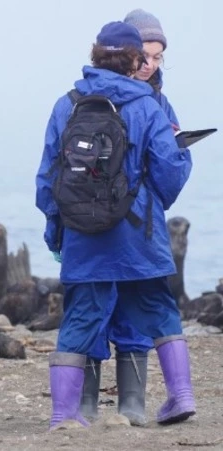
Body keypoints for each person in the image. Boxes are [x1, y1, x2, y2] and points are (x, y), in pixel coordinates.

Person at [35, 21, 195, 430]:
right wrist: (150, 205)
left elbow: (47, 180)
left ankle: (62, 415)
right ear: (133, 59)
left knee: (79, 318)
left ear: (95, 55)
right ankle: (181, 396)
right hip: (136, 234)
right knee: (160, 310)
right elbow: (170, 170)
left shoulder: (65, 104)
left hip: (82, 237)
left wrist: (57, 231)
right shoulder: (146, 106)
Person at [81, 9, 182, 426]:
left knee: (125, 314)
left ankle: (129, 405)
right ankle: (95, 408)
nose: (151, 65)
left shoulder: (155, 100)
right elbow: (170, 173)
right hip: (124, 225)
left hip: (108, 225)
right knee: (97, 311)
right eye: (146, 55)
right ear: (127, 54)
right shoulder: (138, 104)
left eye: (159, 58)